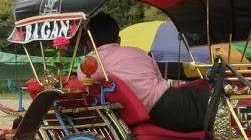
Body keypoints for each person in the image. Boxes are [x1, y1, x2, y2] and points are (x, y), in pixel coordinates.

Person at [78, 13, 212, 132]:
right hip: (167, 104)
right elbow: (160, 81)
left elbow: (82, 80)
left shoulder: (92, 62)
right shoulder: (137, 52)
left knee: (214, 101)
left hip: (161, 108)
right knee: (218, 97)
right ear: (118, 39)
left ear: (90, 43)